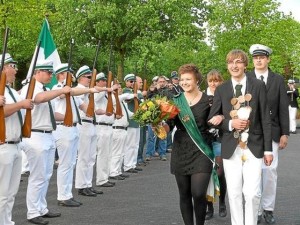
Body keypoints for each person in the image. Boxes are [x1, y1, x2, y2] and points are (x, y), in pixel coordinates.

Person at [209, 49, 273, 225]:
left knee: (252, 193)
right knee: (235, 193)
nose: (234, 65)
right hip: (230, 147)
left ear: (245, 65)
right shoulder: (221, 89)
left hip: (254, 145)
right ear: (227, 66)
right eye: (231, 62)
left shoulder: (258, 86)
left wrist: (268, 149)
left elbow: (266, 119)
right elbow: (212, 119)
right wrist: (229, 123)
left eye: (238, 62)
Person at [20, 60, 72, 225]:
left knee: (46, 175)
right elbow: (38, 99)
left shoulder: (44, 88)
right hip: (36, 135)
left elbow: (49, 113)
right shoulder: (32, 87)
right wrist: (60, 91)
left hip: (47, 135)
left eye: (51, 72)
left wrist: (68, 117)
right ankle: (33, 212)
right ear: (37, 72)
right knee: (37, 176)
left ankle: (42, 208)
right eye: (48, 72)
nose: (51, 75)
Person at [247, 44, 289, 224]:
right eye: (256, 58)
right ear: (253, 60)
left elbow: (283, 108)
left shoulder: (278, 79)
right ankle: (255, 210)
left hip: (272, 131)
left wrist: (285, 133)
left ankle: (268, 209)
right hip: (252, 133)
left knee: (270, 171)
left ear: (268, 59)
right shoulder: (246, 78)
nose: (259, 60)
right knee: (253, 172)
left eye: (262, 57)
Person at [170, 64, 217, 225]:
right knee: (184, 194)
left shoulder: (209, 100)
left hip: (201, 149)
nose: (184, 82)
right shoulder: (176, 101)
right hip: (181, 149)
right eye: (182, 79)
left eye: (188, 79)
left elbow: (215, 124)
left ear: (197, 79)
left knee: (198, 193)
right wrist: (158, 124)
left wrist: (219, 119)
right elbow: (169, 125)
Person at [0, 53, 33, 225]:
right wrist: (21, 104)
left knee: (11, 193)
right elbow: (3, 112)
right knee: (2, 192)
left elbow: (27, 102)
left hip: (16, 146)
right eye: (12, 66)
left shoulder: (11, 91)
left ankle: (7, 222)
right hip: (3, 146)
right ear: (3, 69)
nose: (15, 69)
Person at [203, 69, 227, 220]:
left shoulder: (225, 95)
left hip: (220, 138)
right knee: (205, 174)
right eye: (211, 81)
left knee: (219, 172)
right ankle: (209, 207)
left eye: (216, 81)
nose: (213, 84)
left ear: (221, 81)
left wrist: (222, 115)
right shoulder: (202, 96)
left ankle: (222, 202)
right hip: (205, 139)